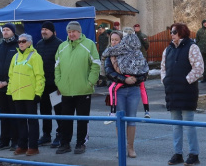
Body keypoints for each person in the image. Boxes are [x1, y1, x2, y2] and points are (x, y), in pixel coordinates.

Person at [54, 21, 101, 155]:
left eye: (73, 31)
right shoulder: (62, 46)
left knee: (82, 119)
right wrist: (59, 83)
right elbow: (57, 67)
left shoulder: (89, 44)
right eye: (69, 32)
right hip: (66, 90)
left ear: (79, 32)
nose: (71, 34)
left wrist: (90, 82)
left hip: (83, 90)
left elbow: (96, 64)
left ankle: (81, 143)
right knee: (65, 119)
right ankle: (65, 143)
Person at [103, 27, 149, 158]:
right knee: (120, 120)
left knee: (132, 119)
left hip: (134, 90)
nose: (114, 42)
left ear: (122, 40)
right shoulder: (110, 55)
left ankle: (131, 147)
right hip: (119, 91)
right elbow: (109, 73)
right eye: (112, 40)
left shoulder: (134, 53)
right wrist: (124, 80)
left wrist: (135, 79)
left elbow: (144, 70)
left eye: (117, 40)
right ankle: (121, 147)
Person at [163, 23, 204, 166]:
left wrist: (185, 81)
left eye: (174, 32)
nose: (171, 34)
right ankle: (177, 153)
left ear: (181, 32)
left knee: (189, 124)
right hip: (172, 92)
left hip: (187, 91)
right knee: (175, 125)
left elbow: (199, 68)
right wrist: (166, 80)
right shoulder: (167, 49)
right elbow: (163, 68)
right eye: (171, 32)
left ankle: (194, 154)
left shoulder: (192, 47)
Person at [8, 33, 45, 156]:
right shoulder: (15, 57)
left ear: (29, 42)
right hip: (17, 95)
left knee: (32, 122)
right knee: (21, 122)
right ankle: (22, 145)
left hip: (30, 95)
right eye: (19, 41)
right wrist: (10, 92)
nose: (21, 43)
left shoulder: (35, 56)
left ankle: (33, 146)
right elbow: (11, 76)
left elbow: (40, 76)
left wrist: (38, 93)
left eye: (23, 41)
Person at [0, 23, 19, 151]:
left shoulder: (18, 46)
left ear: (13, 32)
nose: (5, 32)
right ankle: (4, 140)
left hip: (13, 87)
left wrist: (7, 81)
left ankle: (15, 140)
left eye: (8, 30)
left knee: (14, 115)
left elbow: (19, 67)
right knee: (4, 115)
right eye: (4, 30)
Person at [33, 21, 63, 147]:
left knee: (59, 111)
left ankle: (60, 135)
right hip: (43, 85)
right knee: (45, 111)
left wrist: (61, 84)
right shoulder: (39, 44)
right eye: (42, 29)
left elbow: (62, 65)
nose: (43, 31)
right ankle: (46, 135)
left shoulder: (60, 44)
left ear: (53, 32)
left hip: (55, 86)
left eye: (46, 29)